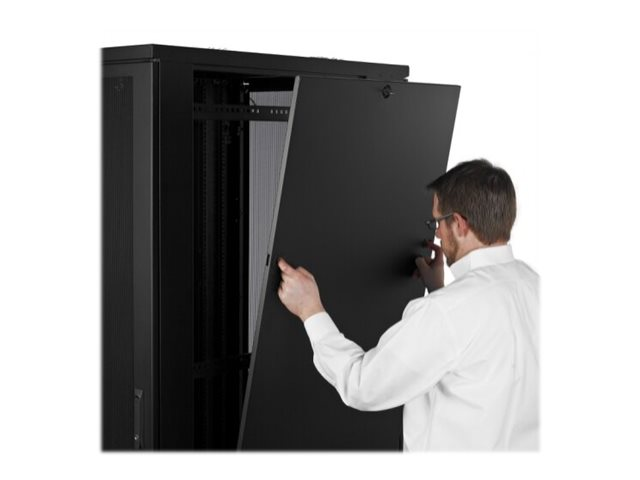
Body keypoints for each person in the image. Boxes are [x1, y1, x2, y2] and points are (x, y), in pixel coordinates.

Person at [276, 159, 539, 451]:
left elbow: (362, 386)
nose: (436, 233)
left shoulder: (445, 313)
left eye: (438, 222)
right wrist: (438, 290)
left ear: (460, 224)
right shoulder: (535, 286)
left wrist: (310, 310)